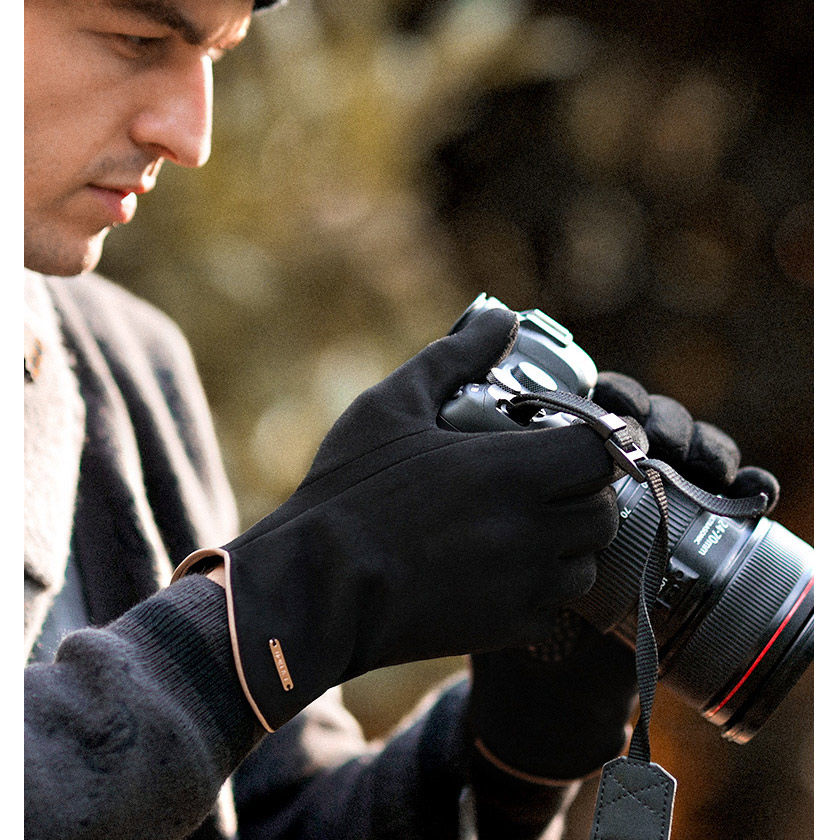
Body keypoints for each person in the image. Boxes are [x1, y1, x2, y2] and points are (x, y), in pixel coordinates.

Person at [23, 1, 779, 839]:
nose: (190, 136)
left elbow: (261, 820)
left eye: (219, 54)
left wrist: (508, 759)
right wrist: (287, 601)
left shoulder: (123, 362)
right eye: (138, 41)